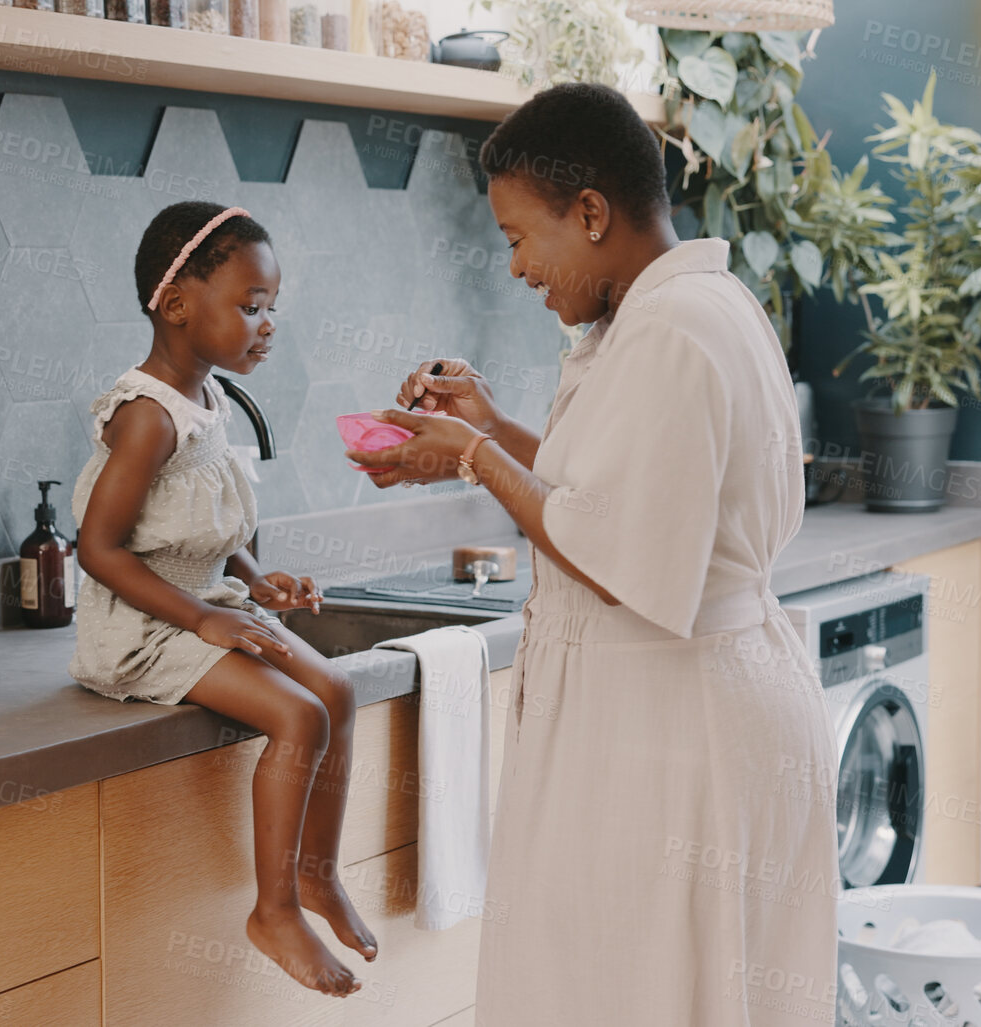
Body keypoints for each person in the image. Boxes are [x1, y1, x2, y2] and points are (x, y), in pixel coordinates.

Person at [347, 84, 841, 1025]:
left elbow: (619, 558)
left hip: (670, 725)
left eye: (518, 237)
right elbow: (624, 501)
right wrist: (490, 428)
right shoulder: (686, 311)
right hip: (692, 706)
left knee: (632, 994)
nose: (517, 268)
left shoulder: (672, 329)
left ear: (590, 211)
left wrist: (472, 455)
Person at [71, 201, 376, 997]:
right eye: (250, 306)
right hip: (144, 628)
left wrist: (255, 578)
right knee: (298, 712)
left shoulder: (209, 401)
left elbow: (201, 526)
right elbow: (98, 549)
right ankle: (271, 909)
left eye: (270, 307)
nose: (266, 324)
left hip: (204, 604)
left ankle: (316, 875)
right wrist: (205, 614)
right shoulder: (146, 417)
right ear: (176, 305)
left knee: (338, 688)